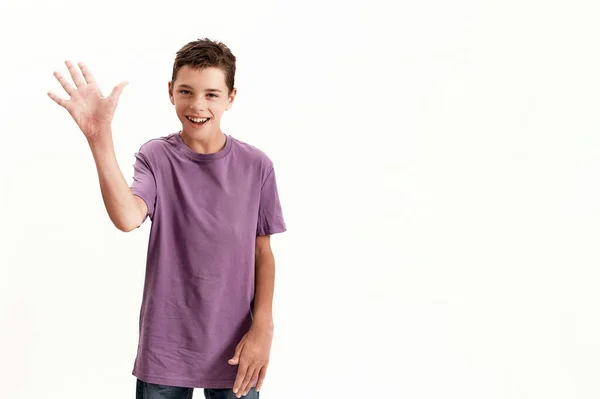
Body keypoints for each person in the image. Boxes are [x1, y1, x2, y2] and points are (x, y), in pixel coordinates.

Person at [48, 38, 287, 399]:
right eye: (187, 92)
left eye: (211, 94)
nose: (197, 105)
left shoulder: (257, 166)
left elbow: (262, 253)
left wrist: (263, 327)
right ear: (171, 92)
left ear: (231, 98)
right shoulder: (156, 156)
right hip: (167, 347)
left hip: (238, 345)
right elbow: (128, 217)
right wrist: (99, 138)